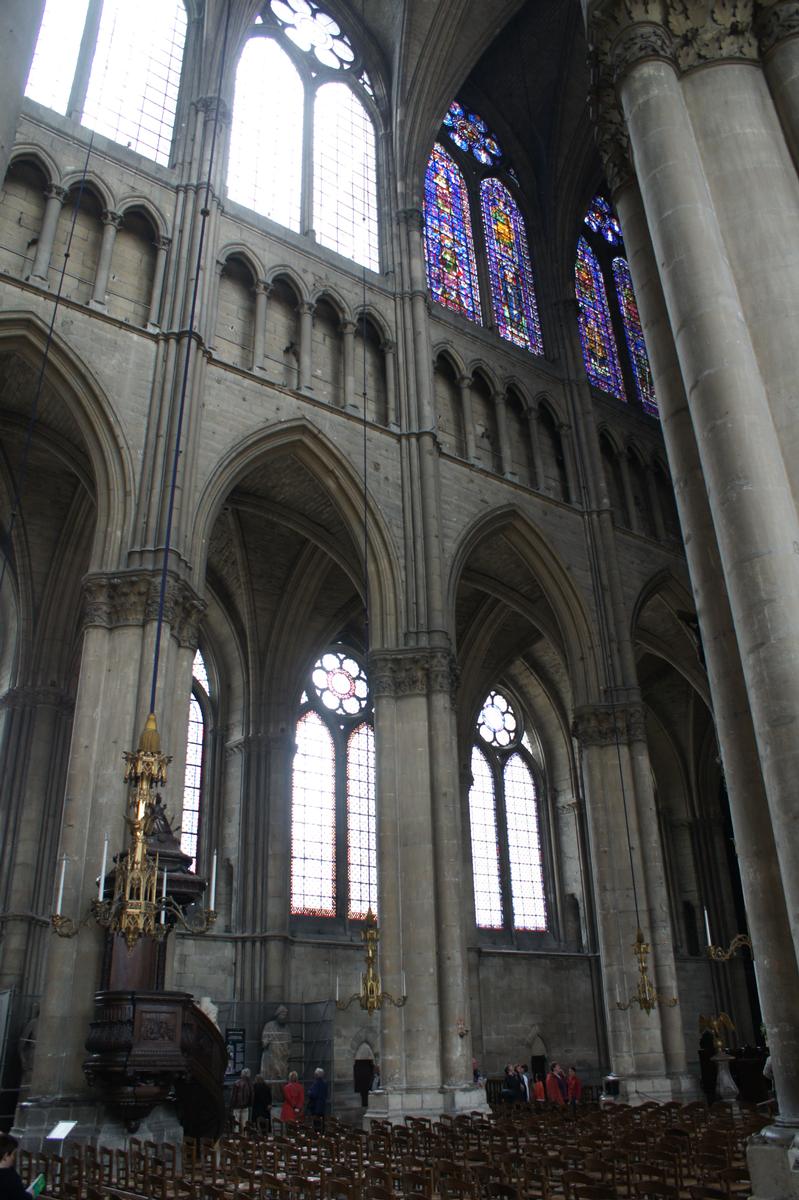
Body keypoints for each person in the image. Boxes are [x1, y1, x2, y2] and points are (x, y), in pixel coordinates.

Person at [0, 1135, 33, 1200]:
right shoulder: (10, 1177)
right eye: (13, 1154)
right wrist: (30, 1195)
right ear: (5, 1156)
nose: (13, 1158)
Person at [230, 1067, 252, 1132]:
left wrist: (231, 1105)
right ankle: (244, 1137)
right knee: (245, 1123)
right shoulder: (250, 1084)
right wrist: (250, 1104)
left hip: (237, 1106)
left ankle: (236, 1138)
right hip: (246, 1106)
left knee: (236, 1123)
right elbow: (252, 1095)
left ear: (242, 1074)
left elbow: (233, 1096)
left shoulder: (236, 1083)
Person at [306, 1067, 328, 1132]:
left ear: (316, 1075)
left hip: (315, 1107)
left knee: (316, 1125)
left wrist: (309, 1092)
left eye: (315, 1074)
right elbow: (326, 1094)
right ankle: (322, 1137)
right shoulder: (325, 1083)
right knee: (322, 1125)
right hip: (322, 1107)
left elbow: (313, 1095)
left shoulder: (316, 1084)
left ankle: (317, 1138)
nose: (314, 1075)